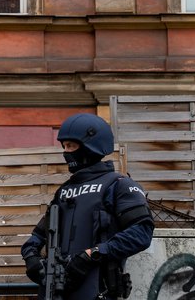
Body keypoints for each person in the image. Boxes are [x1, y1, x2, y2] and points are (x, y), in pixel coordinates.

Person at [21, 113, 154, 299]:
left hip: (99, 290)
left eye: (71, 146)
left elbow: (142, 232)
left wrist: (93, 254)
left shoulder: (119, 185)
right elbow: (36, 238)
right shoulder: (63, 192)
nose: (66, 152)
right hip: (56, 291)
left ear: (90, 147)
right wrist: (31, 258)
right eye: (64, 146)